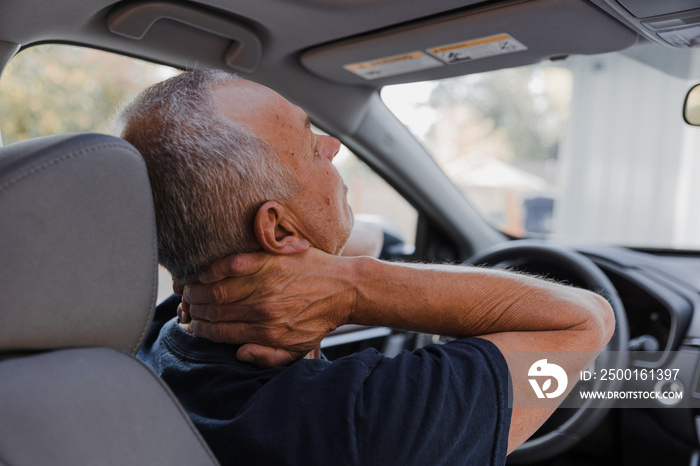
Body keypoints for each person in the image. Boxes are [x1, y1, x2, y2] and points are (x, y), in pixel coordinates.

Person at [117, 69, 615, 465]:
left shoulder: (155, 338)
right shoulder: (368, 420)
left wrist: (320, 253)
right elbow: (586, 320)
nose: (332, 146)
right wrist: (354, 287)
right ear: (279, 232)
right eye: (313, 146)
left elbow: (366, 234)